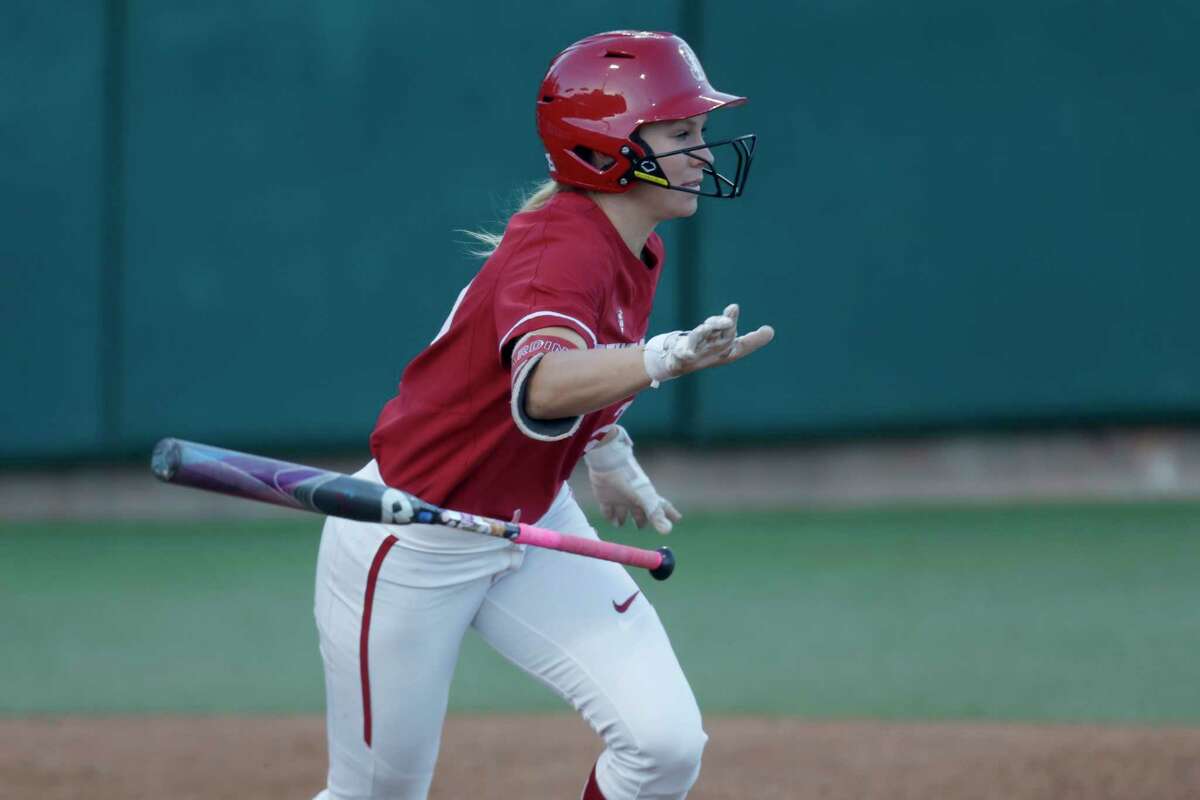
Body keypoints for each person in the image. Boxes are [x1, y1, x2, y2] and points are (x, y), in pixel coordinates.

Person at [312, 30, 774, 800]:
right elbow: (544, 383)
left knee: (662, 745)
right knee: (375, 797)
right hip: (414, 538)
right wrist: (666, 358)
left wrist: (606, 448)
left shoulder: (635, 244)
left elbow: (582, 375)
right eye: (682, 132)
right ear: (608, 148)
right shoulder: (559, 245)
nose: (704, 151)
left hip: (528, 522)